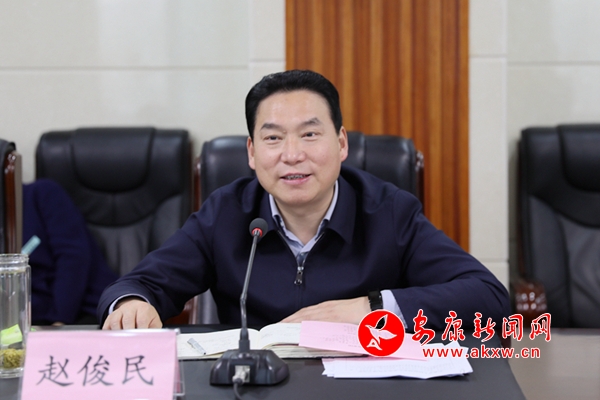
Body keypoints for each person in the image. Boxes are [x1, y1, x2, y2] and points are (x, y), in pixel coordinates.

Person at [99, 70, 510, 330]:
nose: (292, 154)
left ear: (341, 143)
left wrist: (372, 308)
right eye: (273, 138)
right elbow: (137, 285)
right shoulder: (226, 213)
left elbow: (489, 298)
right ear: (252, 152)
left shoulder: (388, 211)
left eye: (310, 134)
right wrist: (132, 303)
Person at [24, 179, 118, 325]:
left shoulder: (41, 193)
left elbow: (73, 257)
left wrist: (60, 320)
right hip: (31, 321)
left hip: (84, 311)